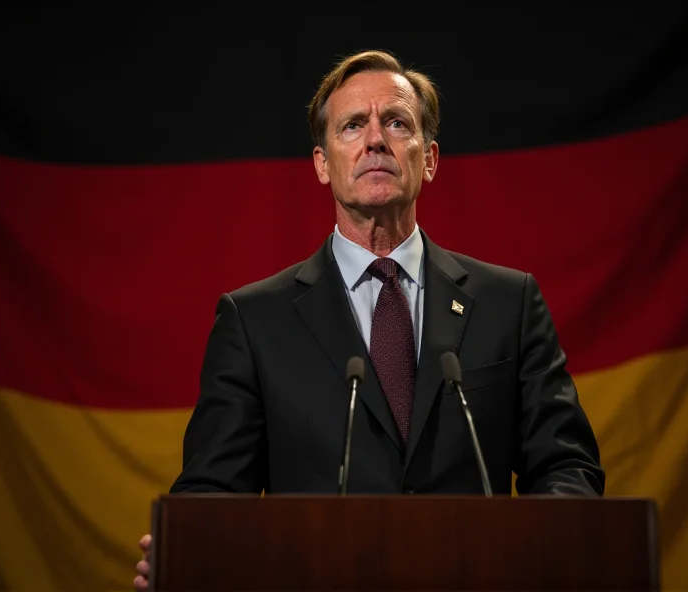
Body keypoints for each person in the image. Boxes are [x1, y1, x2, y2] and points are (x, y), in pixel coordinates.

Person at [133, 49, 604, 590]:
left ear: (428, 159)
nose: (375, 139)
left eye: (396, 123)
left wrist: (533, 555)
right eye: (353, 125)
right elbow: (214, 490)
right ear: (321, 163)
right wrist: (190, 549)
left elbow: (568, 469)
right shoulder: (253, 320)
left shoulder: (509, 302)